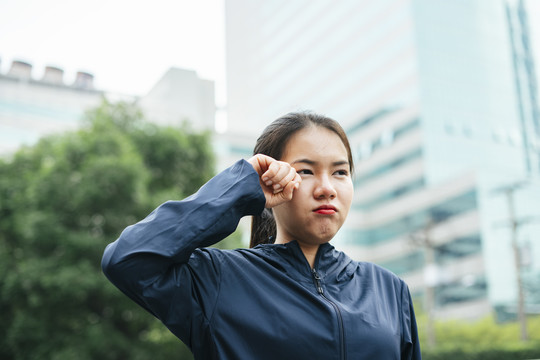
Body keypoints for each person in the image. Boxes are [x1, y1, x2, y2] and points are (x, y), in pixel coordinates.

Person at [102, 112, 422, 360]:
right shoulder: (220, 280)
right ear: (270, 182)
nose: (327, 188)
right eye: (305, 171)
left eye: (340, 172)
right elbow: (127, 259)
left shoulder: (388, 290)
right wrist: (241, 186)